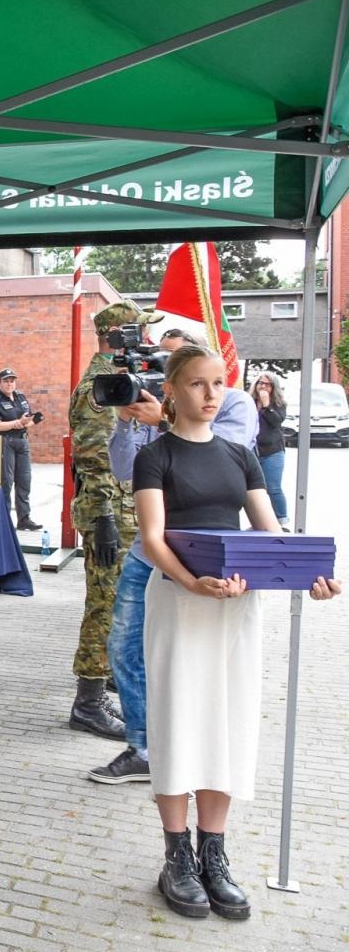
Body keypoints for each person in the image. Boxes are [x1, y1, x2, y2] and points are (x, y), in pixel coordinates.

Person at [132, 345, 340, 920]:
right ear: (171, 390)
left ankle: (213, 854)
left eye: (218, 383)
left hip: (237, 605)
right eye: (197, 384)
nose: (210, 394)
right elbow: (153, 538)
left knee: (228, 722)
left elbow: (271, 535)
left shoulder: (240, 454)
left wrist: (309, 577)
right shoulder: (155, 456)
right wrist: (191, 582)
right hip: (180, 601)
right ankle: (176, 857)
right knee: (178, 720)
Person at [88, 325, 258, 786]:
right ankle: (144, 747)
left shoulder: (235, 403)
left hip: (206, 558)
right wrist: (127, 421)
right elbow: (124, 468)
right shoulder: (151, 407)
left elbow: (215, 449)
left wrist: (161, 421)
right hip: (149, 552)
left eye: (169, 358)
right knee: (124, 648)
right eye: (159, 360)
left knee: (194, 661)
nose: (207, 390)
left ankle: (192, 753)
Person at [67, 302, 148, 742]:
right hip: (109, 511)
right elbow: (94, 455)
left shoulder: (119, 378)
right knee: (105, 606)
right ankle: (88, 704)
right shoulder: (100, 386)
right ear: (115, 333)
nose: (144, 338)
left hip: (123, 508)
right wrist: (102, 517)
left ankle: (105, 683)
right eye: (136, 330)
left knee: (116, 604)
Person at [0, 367, 40, 530]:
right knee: (6, 482)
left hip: (22, 441)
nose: (9, 384)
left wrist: (32, 421)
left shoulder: (20, 396)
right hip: (5, 442)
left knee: (24, 481)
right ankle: (4, 521)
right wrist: (18, 423)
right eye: (6, 381)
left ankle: (24, 518)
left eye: (12, 381)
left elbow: (27, 418)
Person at [251, 373, 289, 527]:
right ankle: (259, 523)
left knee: (273, 487)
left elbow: (276, 422)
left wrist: (267, 406)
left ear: (273, 387)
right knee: (255, 490)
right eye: (260, 383)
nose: (263, 387)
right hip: (253, 451)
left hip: (273, 451)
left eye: (267, 384)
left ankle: (281, 520)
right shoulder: (249, 402)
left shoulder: (278, 404)